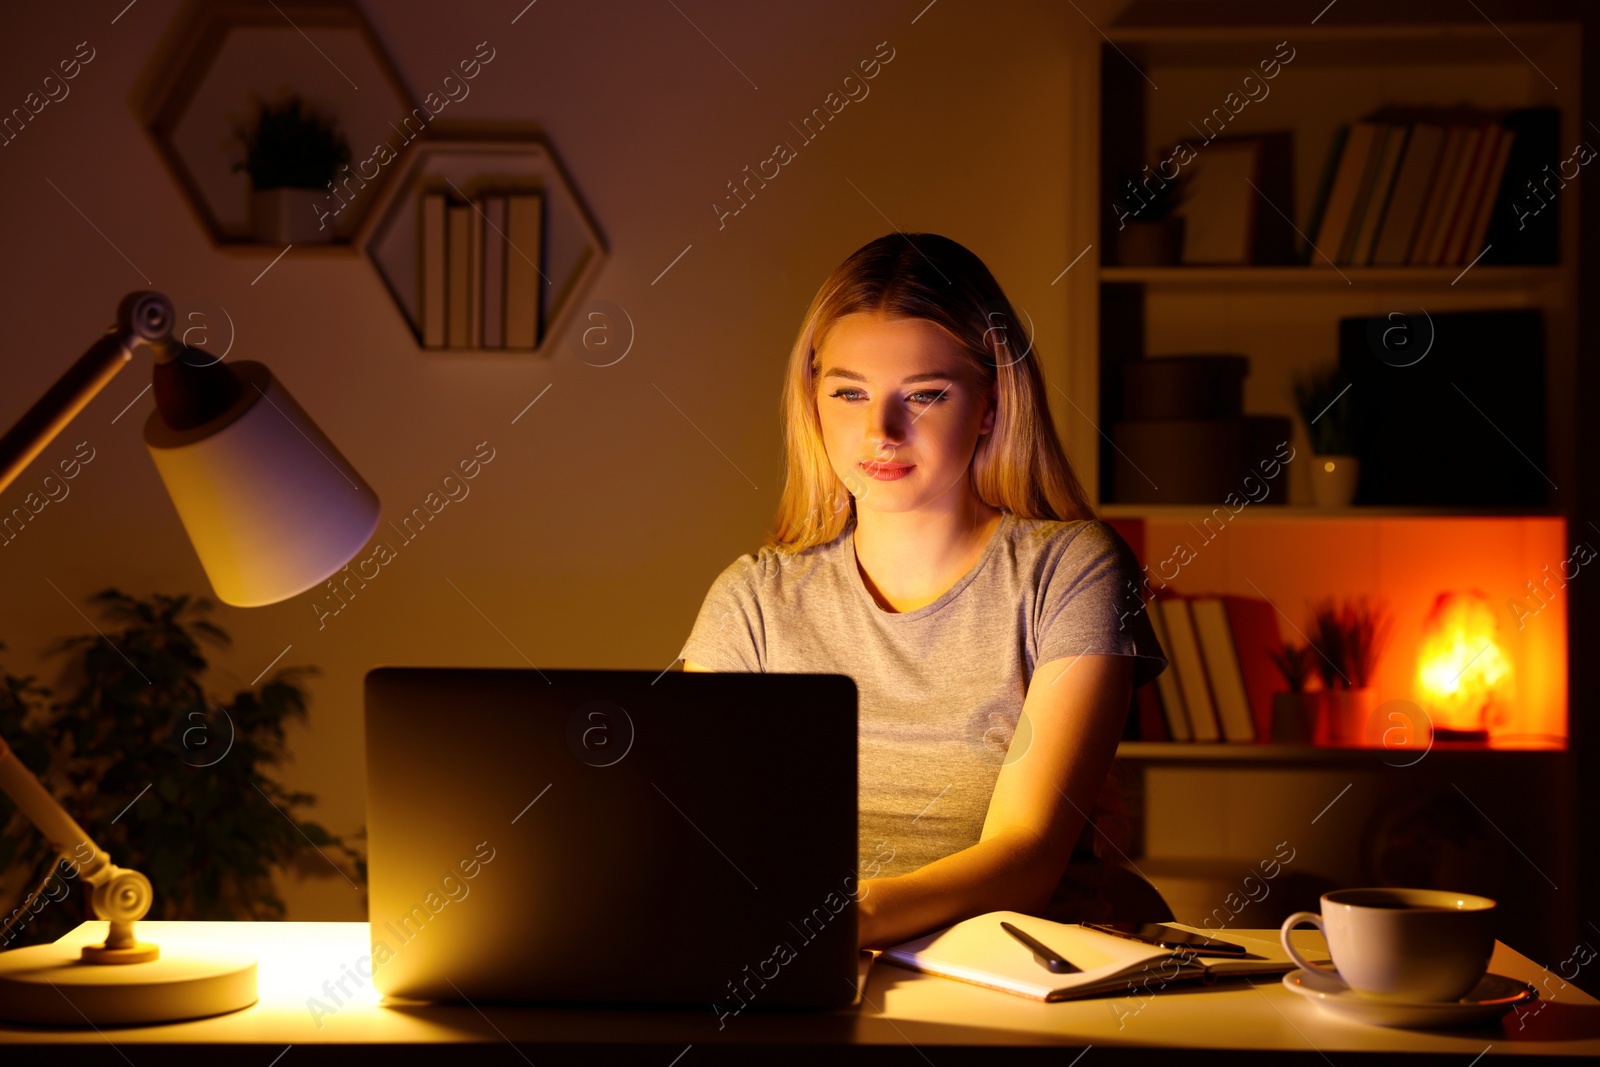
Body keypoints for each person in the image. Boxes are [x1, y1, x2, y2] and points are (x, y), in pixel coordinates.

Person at [679, 233, 1167, 949]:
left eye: (925, 395)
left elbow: (1026, 856)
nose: (880, 431)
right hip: (810, 972)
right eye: (848, 392)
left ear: (991, 407)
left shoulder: (1071, 570)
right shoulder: (750, 602)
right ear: (812, 402)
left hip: (1019, 989)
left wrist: (850, 919)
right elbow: (701, 839)